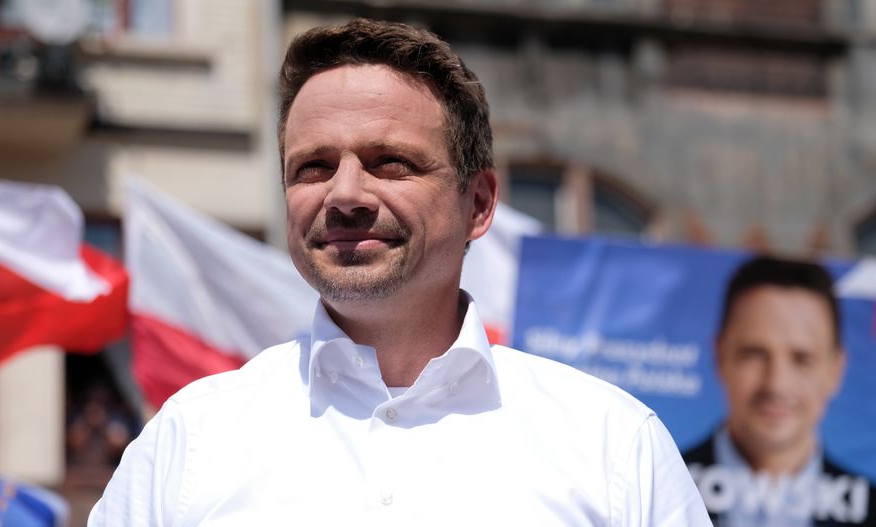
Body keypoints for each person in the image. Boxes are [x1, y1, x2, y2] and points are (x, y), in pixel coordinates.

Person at [90, 18, 709, 525]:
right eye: (313, 167)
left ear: (479, 204)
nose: (344, 195)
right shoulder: (189, 442)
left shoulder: (612, 447)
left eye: (390, 162)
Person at [683, 255, 876, 526]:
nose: (776, 384)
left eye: (802, 359)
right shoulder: (659, 491)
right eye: (754, 354)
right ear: (720, 356)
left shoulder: (871, 511)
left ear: (836, 370)